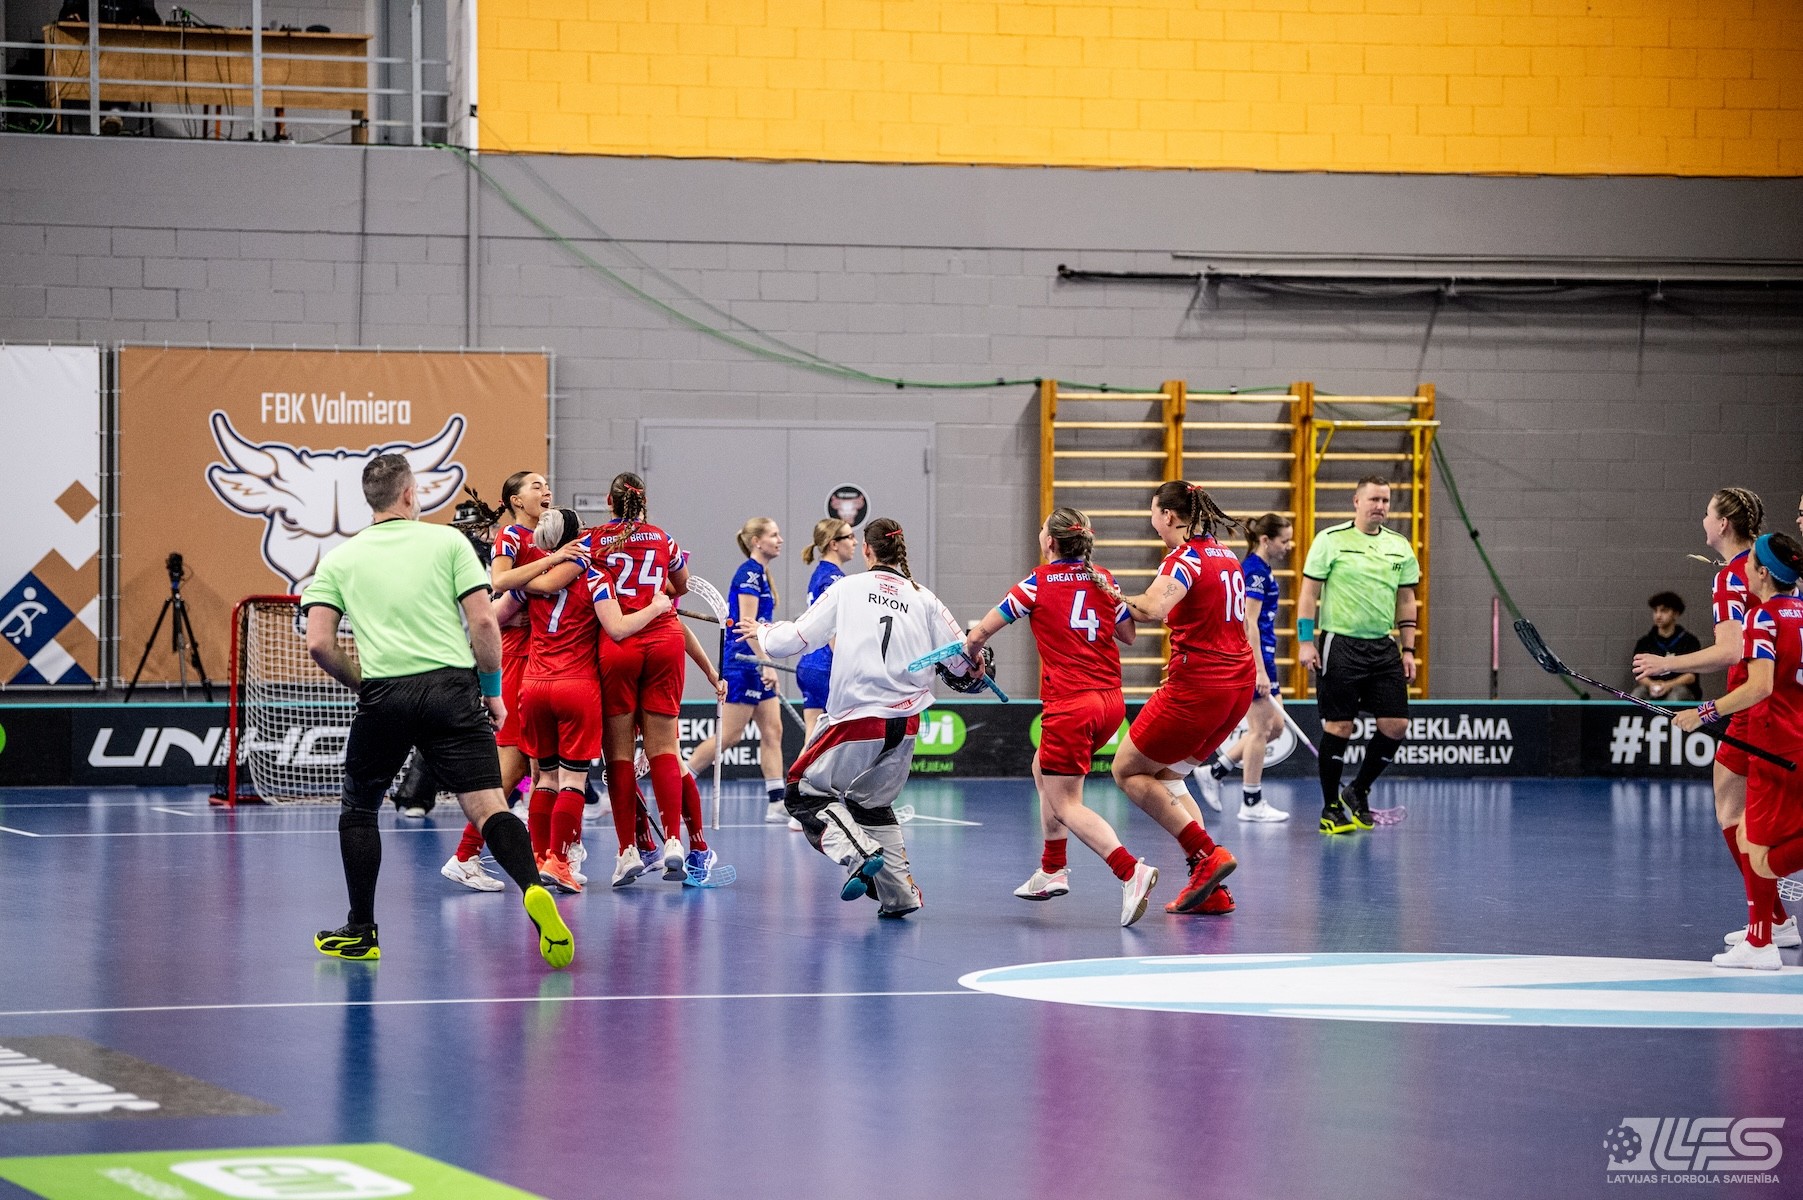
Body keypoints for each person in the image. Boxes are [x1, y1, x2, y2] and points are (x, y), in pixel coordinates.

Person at [300, 453, 573, 969]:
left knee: (359, 809)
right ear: (409, 495)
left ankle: (361, 930)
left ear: (371, 500)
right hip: (452, 690)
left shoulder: (340, 558)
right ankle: (532, 889)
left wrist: (361, 682)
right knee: (489, 806)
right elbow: (485, 623)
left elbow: (319, 643)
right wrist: (491, 692)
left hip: (385, 692)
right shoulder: (447, 543)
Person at [754, 517, 960, 918]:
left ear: (867, 550)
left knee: (803, 792)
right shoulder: (925, 598)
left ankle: (859, 854)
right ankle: (900, 896)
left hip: (857, 718)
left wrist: (762, 631)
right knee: (871, 803)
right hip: (907, 724)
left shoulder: (846, 588)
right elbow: (963, 660)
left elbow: (792, 640)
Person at [963, 508, 1158, 926]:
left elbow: (979, 634)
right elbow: (1127, 635)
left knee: (1066, 803)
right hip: (1110, 703)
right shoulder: (1103, 578)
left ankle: (1130, 871)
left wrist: (971, 657)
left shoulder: (1036, 583)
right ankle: (1051, 869)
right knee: (1043, 769)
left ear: (1050, 542)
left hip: (1070, 706)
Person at [1634, 489, 1790, 948]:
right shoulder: (1773, 568)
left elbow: (1730, 651)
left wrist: (1667, 664)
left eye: (1707, 513)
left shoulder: (1731, 577)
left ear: (1723, 524)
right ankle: (1774, 919)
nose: (1703, 519)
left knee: (1736, 814)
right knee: (1740, 806)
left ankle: (1769, 925)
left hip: (1752, 703)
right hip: (1780, 699)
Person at [534, 473, 695, 887]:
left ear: (609, 501)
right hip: (665, 640)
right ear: (644, 501)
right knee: (664, 748)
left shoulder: (591, 541)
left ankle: (627, 852)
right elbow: (681, 586)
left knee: (619, 754)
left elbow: (559, 576)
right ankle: (674, 841)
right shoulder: (664, 539)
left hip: (618, 646)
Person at [1108, 482, 1255, 917]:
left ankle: (1206, 854)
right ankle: (1210, 887)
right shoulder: (1225, 555)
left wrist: (1111, 595)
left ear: (1168, 516)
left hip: (1199, 688)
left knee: (1127, 770)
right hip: (1237, 686)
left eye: (1154, 513)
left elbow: (1151, 609)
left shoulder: (1185, 558)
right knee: (1171, 777)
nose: (1152, 521)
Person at [439, 471, 575, 890]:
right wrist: (550, 565)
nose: (546, 490)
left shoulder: (546, 540)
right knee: (518, 766)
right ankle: (469, 855)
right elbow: (500, 583)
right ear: (516, 500)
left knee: (534, 767)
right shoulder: (514, 536)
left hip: (542, 659)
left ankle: (546, 855)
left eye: (547, 485)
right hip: (517, 659)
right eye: (536, 486)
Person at [1675, 532, 1803, 970]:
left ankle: (1762, 944)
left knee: (1759, 850)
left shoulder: (1763, 618)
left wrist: (1704, 712)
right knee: (1750, 835)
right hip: (1795, 739)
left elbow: (1760, 687)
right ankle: (1762, 936)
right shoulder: (1800, 611)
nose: (1741, 567)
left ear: (1763, 573)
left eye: (1750, 563)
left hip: (1774, 743)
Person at [1296, 475, 1421, 835]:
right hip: (1341, 644)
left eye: (1385, 500)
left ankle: (1358, 790)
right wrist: (1306, 642)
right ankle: (1330, 807)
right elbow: (1308, 594)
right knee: (1340, 727)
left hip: (1383, 646)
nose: (1380, 506)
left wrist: (1408, 649)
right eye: (1374, 499)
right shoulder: (1330, 540)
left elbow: (1406, 600)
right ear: (1356, 502)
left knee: (1396, 725)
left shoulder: (1399, 546)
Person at [686, 517, 788, 824]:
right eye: (773, 535)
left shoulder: (762, 573)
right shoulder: (749, 574)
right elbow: (746, 626)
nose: (780, 540)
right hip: (743, 662)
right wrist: (765, 663)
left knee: (773, 730)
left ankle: (777, 803)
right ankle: (680, 783)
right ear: (757, 541)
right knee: (729, 736)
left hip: (756, 661)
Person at [1195, 513, 1293, 823]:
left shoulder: (1262, 568)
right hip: (1255, 659)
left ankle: (1215, 771)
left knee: (1275, 727)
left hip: (1266, 657)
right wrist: (1259, 670)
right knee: (1260, 730)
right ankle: (1251, 801)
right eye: (1284, 541)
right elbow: (1248, 623)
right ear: (1266, 540)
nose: (1289, 546)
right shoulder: (1254, 572)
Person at [799, 518, 857, 740]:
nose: (855, 542)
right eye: (849, 537)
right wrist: (850, 667)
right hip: (825, 667)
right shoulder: (833, 578)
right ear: (834, 544)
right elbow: (833, 628)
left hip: (810, 665)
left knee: (813, 737)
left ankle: (802, 766)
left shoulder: (821, 573)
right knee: (847, 733)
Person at [1629, 592, 1702, 701]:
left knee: (1676, 696)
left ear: (1675, 614)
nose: (1658, 615)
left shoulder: (1690, 641)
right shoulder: (1645, 642)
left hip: (1680, 689)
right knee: (1637, 694)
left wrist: (1668, 685)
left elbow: (1691, 676)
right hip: (1652, 689)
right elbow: (1639, 674)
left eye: (1664, 611)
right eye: (1655, 611)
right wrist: (1652, 684)